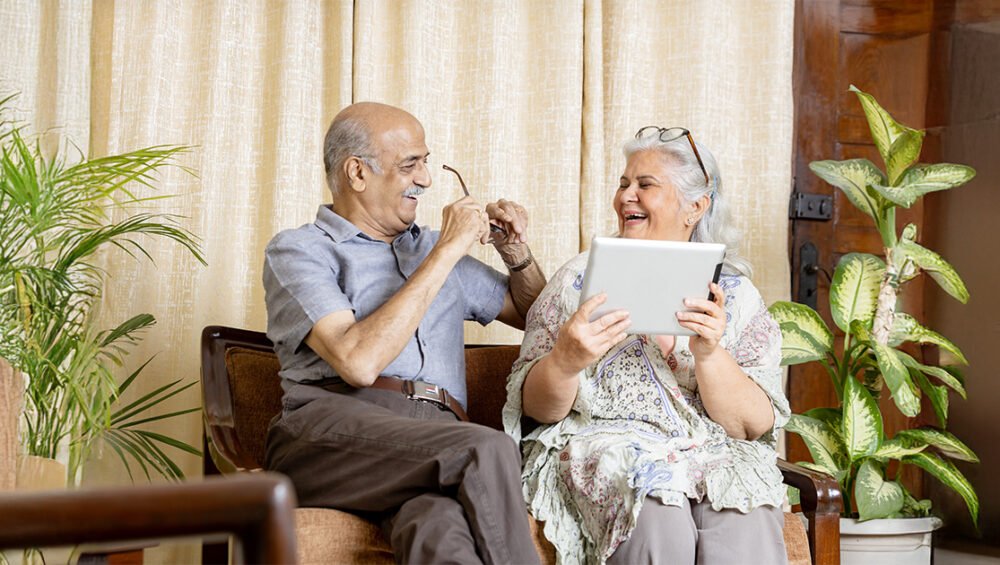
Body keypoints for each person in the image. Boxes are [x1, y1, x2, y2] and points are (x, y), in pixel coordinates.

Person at [262, 102, 546, 565]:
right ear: (357, 173)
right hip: (331, 429)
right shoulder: (300, 250)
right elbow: (357, 362)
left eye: (427, 162)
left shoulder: (432, 248)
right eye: (410, 164)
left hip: (433, 439)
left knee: (436, 525)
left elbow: (539, 318)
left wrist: (516, 255)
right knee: (485, 447)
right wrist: (449, 249)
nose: (428, 179)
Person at [503, 127, 790, 564]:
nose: (625, 197)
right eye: (623, 184)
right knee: (656, 511)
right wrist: (565, 361)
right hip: (607, 450)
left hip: (712, 451)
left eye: (645, 185)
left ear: (696, 206)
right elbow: (537, 410)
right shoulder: (576, 282)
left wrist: (710, 353)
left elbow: (751, 426)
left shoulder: (735, 294)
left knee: (744, 509)